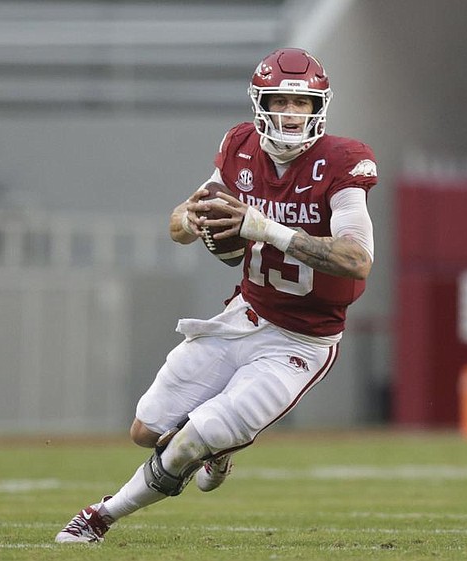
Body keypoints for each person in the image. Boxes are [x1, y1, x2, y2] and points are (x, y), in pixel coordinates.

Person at [55, 47, 377, 542]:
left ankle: (99, 517)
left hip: (301, 342)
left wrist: (266, 229)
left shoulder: (343, 161)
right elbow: (180, 222)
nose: (291, 113)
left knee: (190, 439)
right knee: (145, 430)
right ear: (260, 104)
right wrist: (191, 221)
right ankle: (219, 450)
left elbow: (357, 260)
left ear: (319, 108)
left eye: (302, 103)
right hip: (244, 316)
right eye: (280, 101)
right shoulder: (240, 147)